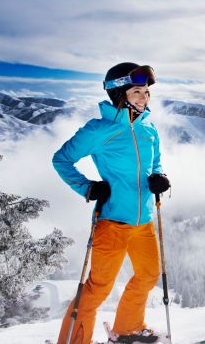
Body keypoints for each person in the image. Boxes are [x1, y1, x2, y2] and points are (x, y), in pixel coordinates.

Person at [52, 62, 171, 344]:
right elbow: (61, 159)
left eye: (146, 92)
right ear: (119, 94)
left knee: (148, 274)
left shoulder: (148, 128)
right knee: (98, 287)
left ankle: (127, 330)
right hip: (112, 222)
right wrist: (88, 187)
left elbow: (154, 162)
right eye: (137, 92)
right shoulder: (98, 130)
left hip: (143, 221)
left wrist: (159, 177)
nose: (144, 98)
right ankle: (73, 341)